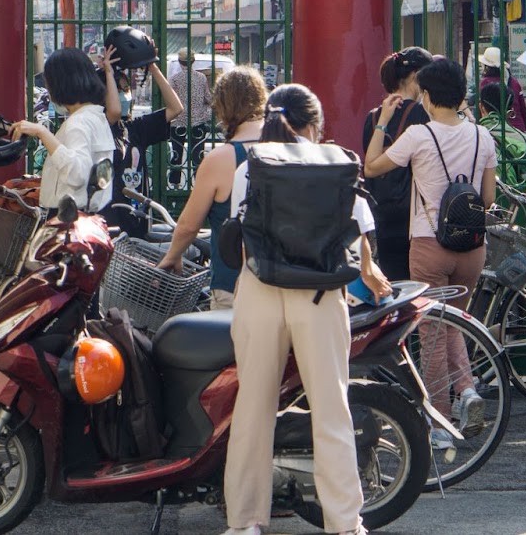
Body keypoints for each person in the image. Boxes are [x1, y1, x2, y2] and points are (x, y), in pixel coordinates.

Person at [221, 84, 390, 535]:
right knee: (332, 409)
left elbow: (238, 243)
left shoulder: (249, 167)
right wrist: (371, 275)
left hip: (260, 290)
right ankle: (344, 524)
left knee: (253, 410)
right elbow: (360, 241)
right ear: (314, 124)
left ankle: (245, 523)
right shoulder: (335, 163)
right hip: (318, 296)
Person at [364, 57, 497, 450]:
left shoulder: (418, 135)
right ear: (462, 95)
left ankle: (439, 422)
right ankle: (468, 391)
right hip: (472, 247)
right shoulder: (482, 136)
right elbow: (487, 198)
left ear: (425, 96)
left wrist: (384, 123)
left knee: (433, 333)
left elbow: (371, 167)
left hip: (428, 244)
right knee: (455, 322)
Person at [157, 66, 268, 308]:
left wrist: (173, 255)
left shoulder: (222, 159)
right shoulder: (285, 145)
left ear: (222, 105)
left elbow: (188, 226)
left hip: (235, 284)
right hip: (286, 283)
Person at [9, 47, 116, 212]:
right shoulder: (96, 117)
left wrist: (42, 132)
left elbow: (77, 174)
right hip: (94, 215)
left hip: (70, 220)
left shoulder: (78, 123)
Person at [359, 47, 433, 282]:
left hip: (382, 210)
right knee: (419, 286)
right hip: (414, 213)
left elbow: (368, 161)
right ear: (415, 76)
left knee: (395, 282)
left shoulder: (373, 116)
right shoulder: (423, 114)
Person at [100, 36, 185, 195]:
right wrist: (108, 74)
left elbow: (176, 108)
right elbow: (114, 112)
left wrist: (152, 67)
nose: (123, 95)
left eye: (125, 90)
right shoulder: (99, 126)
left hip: (137, 214)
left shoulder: (135, 128)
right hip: (108, 216)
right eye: (117, 90)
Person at [169, 48, 214, 186]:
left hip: (178, 121)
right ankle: (198, 183)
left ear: (179, 61)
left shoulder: (175, 79)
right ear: (193, 61)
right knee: (197, 155)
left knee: (176, 153)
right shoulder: (201, 78)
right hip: (197, 121)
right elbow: (208, 98)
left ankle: (175, 183)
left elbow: (170, 100)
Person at [477, 83, 526, 190]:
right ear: (509, 110)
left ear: (481, 107)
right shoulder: (523, 138)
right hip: (518, 199)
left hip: (486, 196)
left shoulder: (475, 136)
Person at [477, 47, 526, 132]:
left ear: (486, 66)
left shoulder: (485, 83)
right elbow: (522, 107)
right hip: (518, 128)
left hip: (496, 128)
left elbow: (483, 108)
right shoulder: (513, 81)